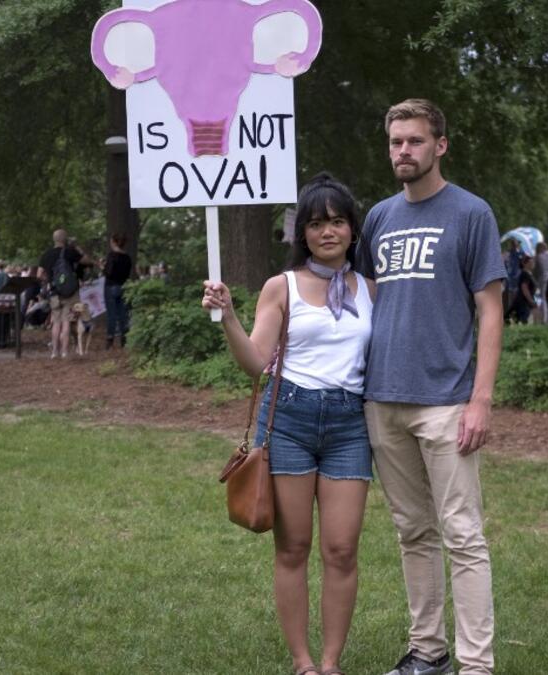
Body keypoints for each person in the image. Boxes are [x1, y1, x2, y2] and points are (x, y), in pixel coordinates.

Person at [202, 173, 374, 675]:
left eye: (337, 221)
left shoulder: (370, 290)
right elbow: (258, 362)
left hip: (349, 425)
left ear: (351, 229)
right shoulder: (283, 287)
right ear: (302, 232)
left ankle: (331, 661)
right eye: (317, 223)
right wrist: (229, 315)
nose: (328, 232)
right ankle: (303, 662)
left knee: (341, 549)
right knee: (294, 545)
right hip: (291, 419)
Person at [356, 99, 502, 675]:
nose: (403, 152)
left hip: (447, 402)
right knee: (412, 531)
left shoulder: (471, 214)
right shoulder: (378, 218)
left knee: (463, 536)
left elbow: (490, 311)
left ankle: (475, 665)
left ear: (440, 145)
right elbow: (367, 305)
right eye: (395, 142)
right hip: (383, 398)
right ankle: (427, 652)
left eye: (415, 141)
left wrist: (481, 399)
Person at [37, 230, 90, 359]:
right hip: (70, 292)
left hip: (55, 292)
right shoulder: (70, 252)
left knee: (56, 322)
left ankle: (54, 352)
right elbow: (87, 261)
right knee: (66, 321)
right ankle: (65, 352)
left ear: (54, 239)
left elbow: (39, 275)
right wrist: (77, 247)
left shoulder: (46, 255)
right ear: (65, 239)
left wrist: (49, 281)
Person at [103, 233, 133, 349]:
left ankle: (110, 339)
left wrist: (103, 267)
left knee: (111, 314)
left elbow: (109, 273)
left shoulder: (112, 256)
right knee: (123, 314)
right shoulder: (127, 258)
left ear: (114, 242)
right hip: (123, 286)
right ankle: (124, 340)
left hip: (111, 286)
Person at [508, 254, 536, 324]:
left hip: (523, 301)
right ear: (525, 264)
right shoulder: (525, 274)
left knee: (516, 320)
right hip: (523, 302)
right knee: (522, 320)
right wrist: (531, 300)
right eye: (531, 262)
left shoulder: (528, 274)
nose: (533, 264)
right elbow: (524, 288)